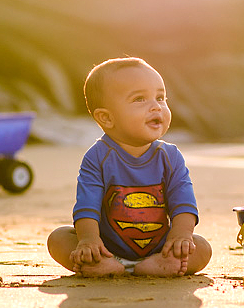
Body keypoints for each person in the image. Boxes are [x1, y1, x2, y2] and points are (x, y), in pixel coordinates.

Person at [47, 57, 212, 277]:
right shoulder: (97, 157)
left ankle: (158, 264)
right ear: (106, 117)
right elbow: (87, 207)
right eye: (140, 99)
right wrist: (89, 241)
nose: (156, 106)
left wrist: (179, 237)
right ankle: (102, 263)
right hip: (107, 249)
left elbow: (184, 203)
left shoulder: (170, 156)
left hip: (161, 249)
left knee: (201, 248)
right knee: (58, 239)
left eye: (161, 97)